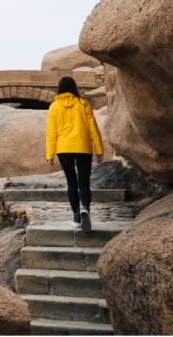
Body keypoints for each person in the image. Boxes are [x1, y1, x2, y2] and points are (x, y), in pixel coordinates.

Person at [45, 76, 104, 232]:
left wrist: (49, 154)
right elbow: (93, 128)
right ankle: (85, 207)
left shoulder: (54, 107)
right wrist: (99, 150)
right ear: (74, 88)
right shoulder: (83, 104)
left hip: (64, 149)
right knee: (84, 182)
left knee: (71, 182)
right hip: (83, 147)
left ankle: (76, 217)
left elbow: (51, 132)